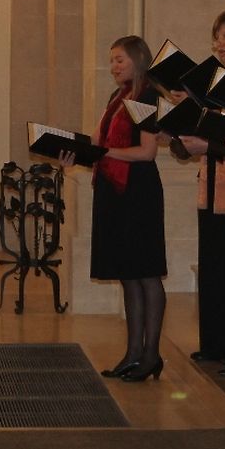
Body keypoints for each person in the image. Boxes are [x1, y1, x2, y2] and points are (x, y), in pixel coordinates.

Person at [67, 35, 167, 382]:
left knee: (146, 272)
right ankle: (133, 353)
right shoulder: (118, 97)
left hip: (138, 190)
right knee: (128, 274)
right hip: (114, 190)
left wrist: (104, 153)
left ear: (138, 60)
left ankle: (151, 355)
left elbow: (147, 152)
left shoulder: (148, 96)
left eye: (119, 59)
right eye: (111, 60)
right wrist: (71, 152)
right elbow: (98, 142)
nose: (114, 66)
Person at [180, 10, 225, 366]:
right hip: (211, 180)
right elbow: (199, 134)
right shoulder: (214, 83)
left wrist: (207, 144)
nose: (219, 44)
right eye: (216, 37)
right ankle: (214, 342)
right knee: (212, 262)